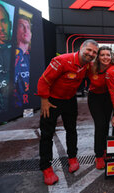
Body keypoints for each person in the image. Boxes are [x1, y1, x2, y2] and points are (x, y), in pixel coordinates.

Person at [37, 39, 99, 185]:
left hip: (70, 100)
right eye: (88, 50)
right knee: (46, 134)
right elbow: (43, 81)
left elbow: (97, 76)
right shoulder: (61, 61)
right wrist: (44, 100)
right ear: (81, 48)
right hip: (52, 100)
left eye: (94, 53)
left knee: (71, 130)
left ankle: (72, 157)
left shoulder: (88, 66)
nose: (90, 54)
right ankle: (46, 167)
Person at [87, 46, 113, 169]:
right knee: (100, 124)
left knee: (106, 124)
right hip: (95, 98)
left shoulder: (113, 67)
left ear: (111, 56)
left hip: (108, 97)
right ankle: (98, 155)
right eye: (102, 55)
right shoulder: (90, 67)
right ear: (98, 57)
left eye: (108, 55)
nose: (105, 57)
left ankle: (105, 149)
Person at [14, 15, 32, 107]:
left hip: (32, 105)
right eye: (21, 26)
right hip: (16, 108)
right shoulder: (11, 55)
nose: (26, 30)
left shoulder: (32, 55)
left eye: (28, 27)